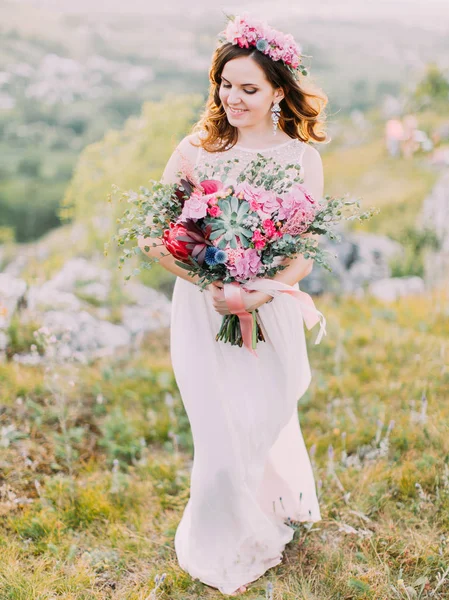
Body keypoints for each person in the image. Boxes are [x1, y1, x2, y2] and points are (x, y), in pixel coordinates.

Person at [138, 13, 327, 596]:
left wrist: (257, 290)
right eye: (226, 85)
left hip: (268, 311)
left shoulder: (300, 158)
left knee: (261, 420)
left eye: (249, 88)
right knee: (219, 435)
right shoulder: (194, 150)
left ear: (278, 92)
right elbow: (151, 234)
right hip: (203, 311)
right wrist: (210, 284)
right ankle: (220, 539)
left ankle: (269, 505)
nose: (234, 97)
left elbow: (306, 253)